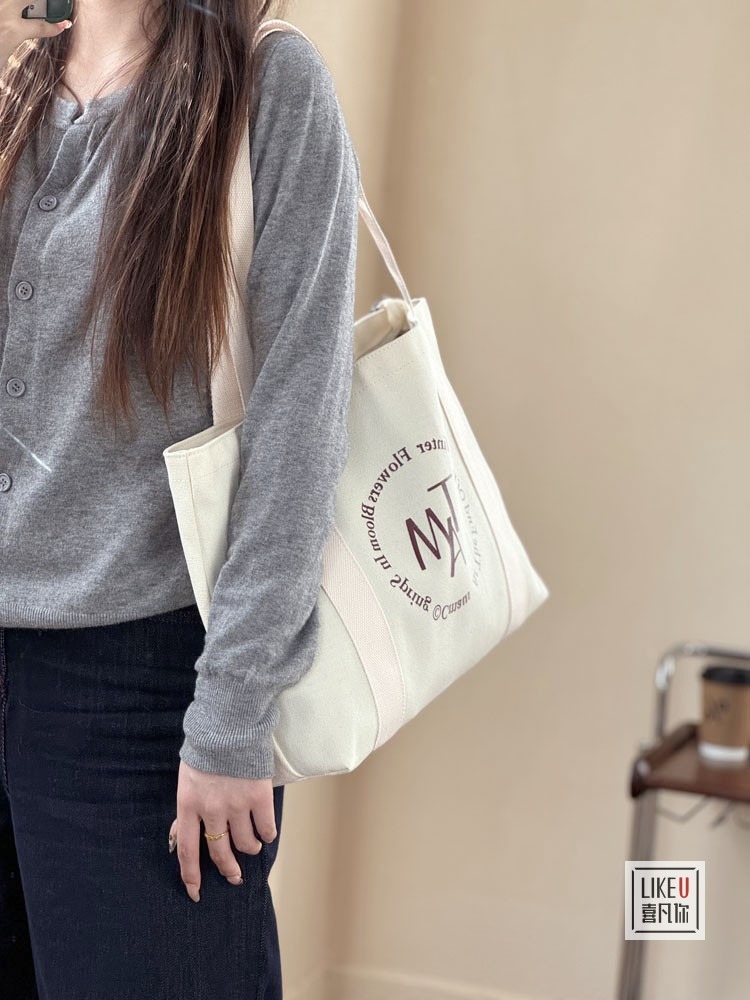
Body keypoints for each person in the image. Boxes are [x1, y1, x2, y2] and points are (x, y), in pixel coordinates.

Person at [0, 0, 360, 995]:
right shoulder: (22, 84)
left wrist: (232, 715)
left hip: (148, 697)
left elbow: (298, 426)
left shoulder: (269, 84)